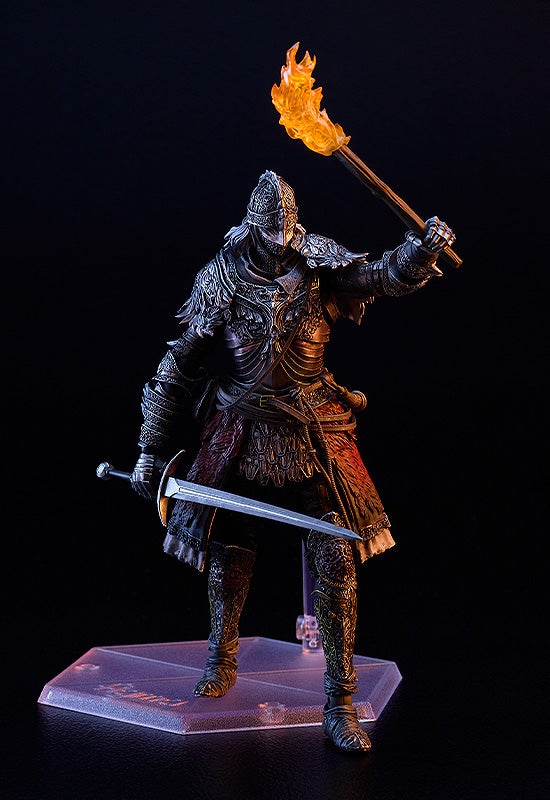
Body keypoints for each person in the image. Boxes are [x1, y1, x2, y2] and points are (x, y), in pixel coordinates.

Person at [130, 169, 456, 752]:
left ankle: (339, 698)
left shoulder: (318, 262)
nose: (280, 246)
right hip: (240, 424)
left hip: (313, 424)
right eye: (270, 236)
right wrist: (149, 451)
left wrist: (420, 251)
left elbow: (380, 277)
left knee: (335, 555)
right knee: (228, 548)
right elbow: (176, 366)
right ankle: (221, 658)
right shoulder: (223, 276)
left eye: (286, 235)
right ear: (253, 228)